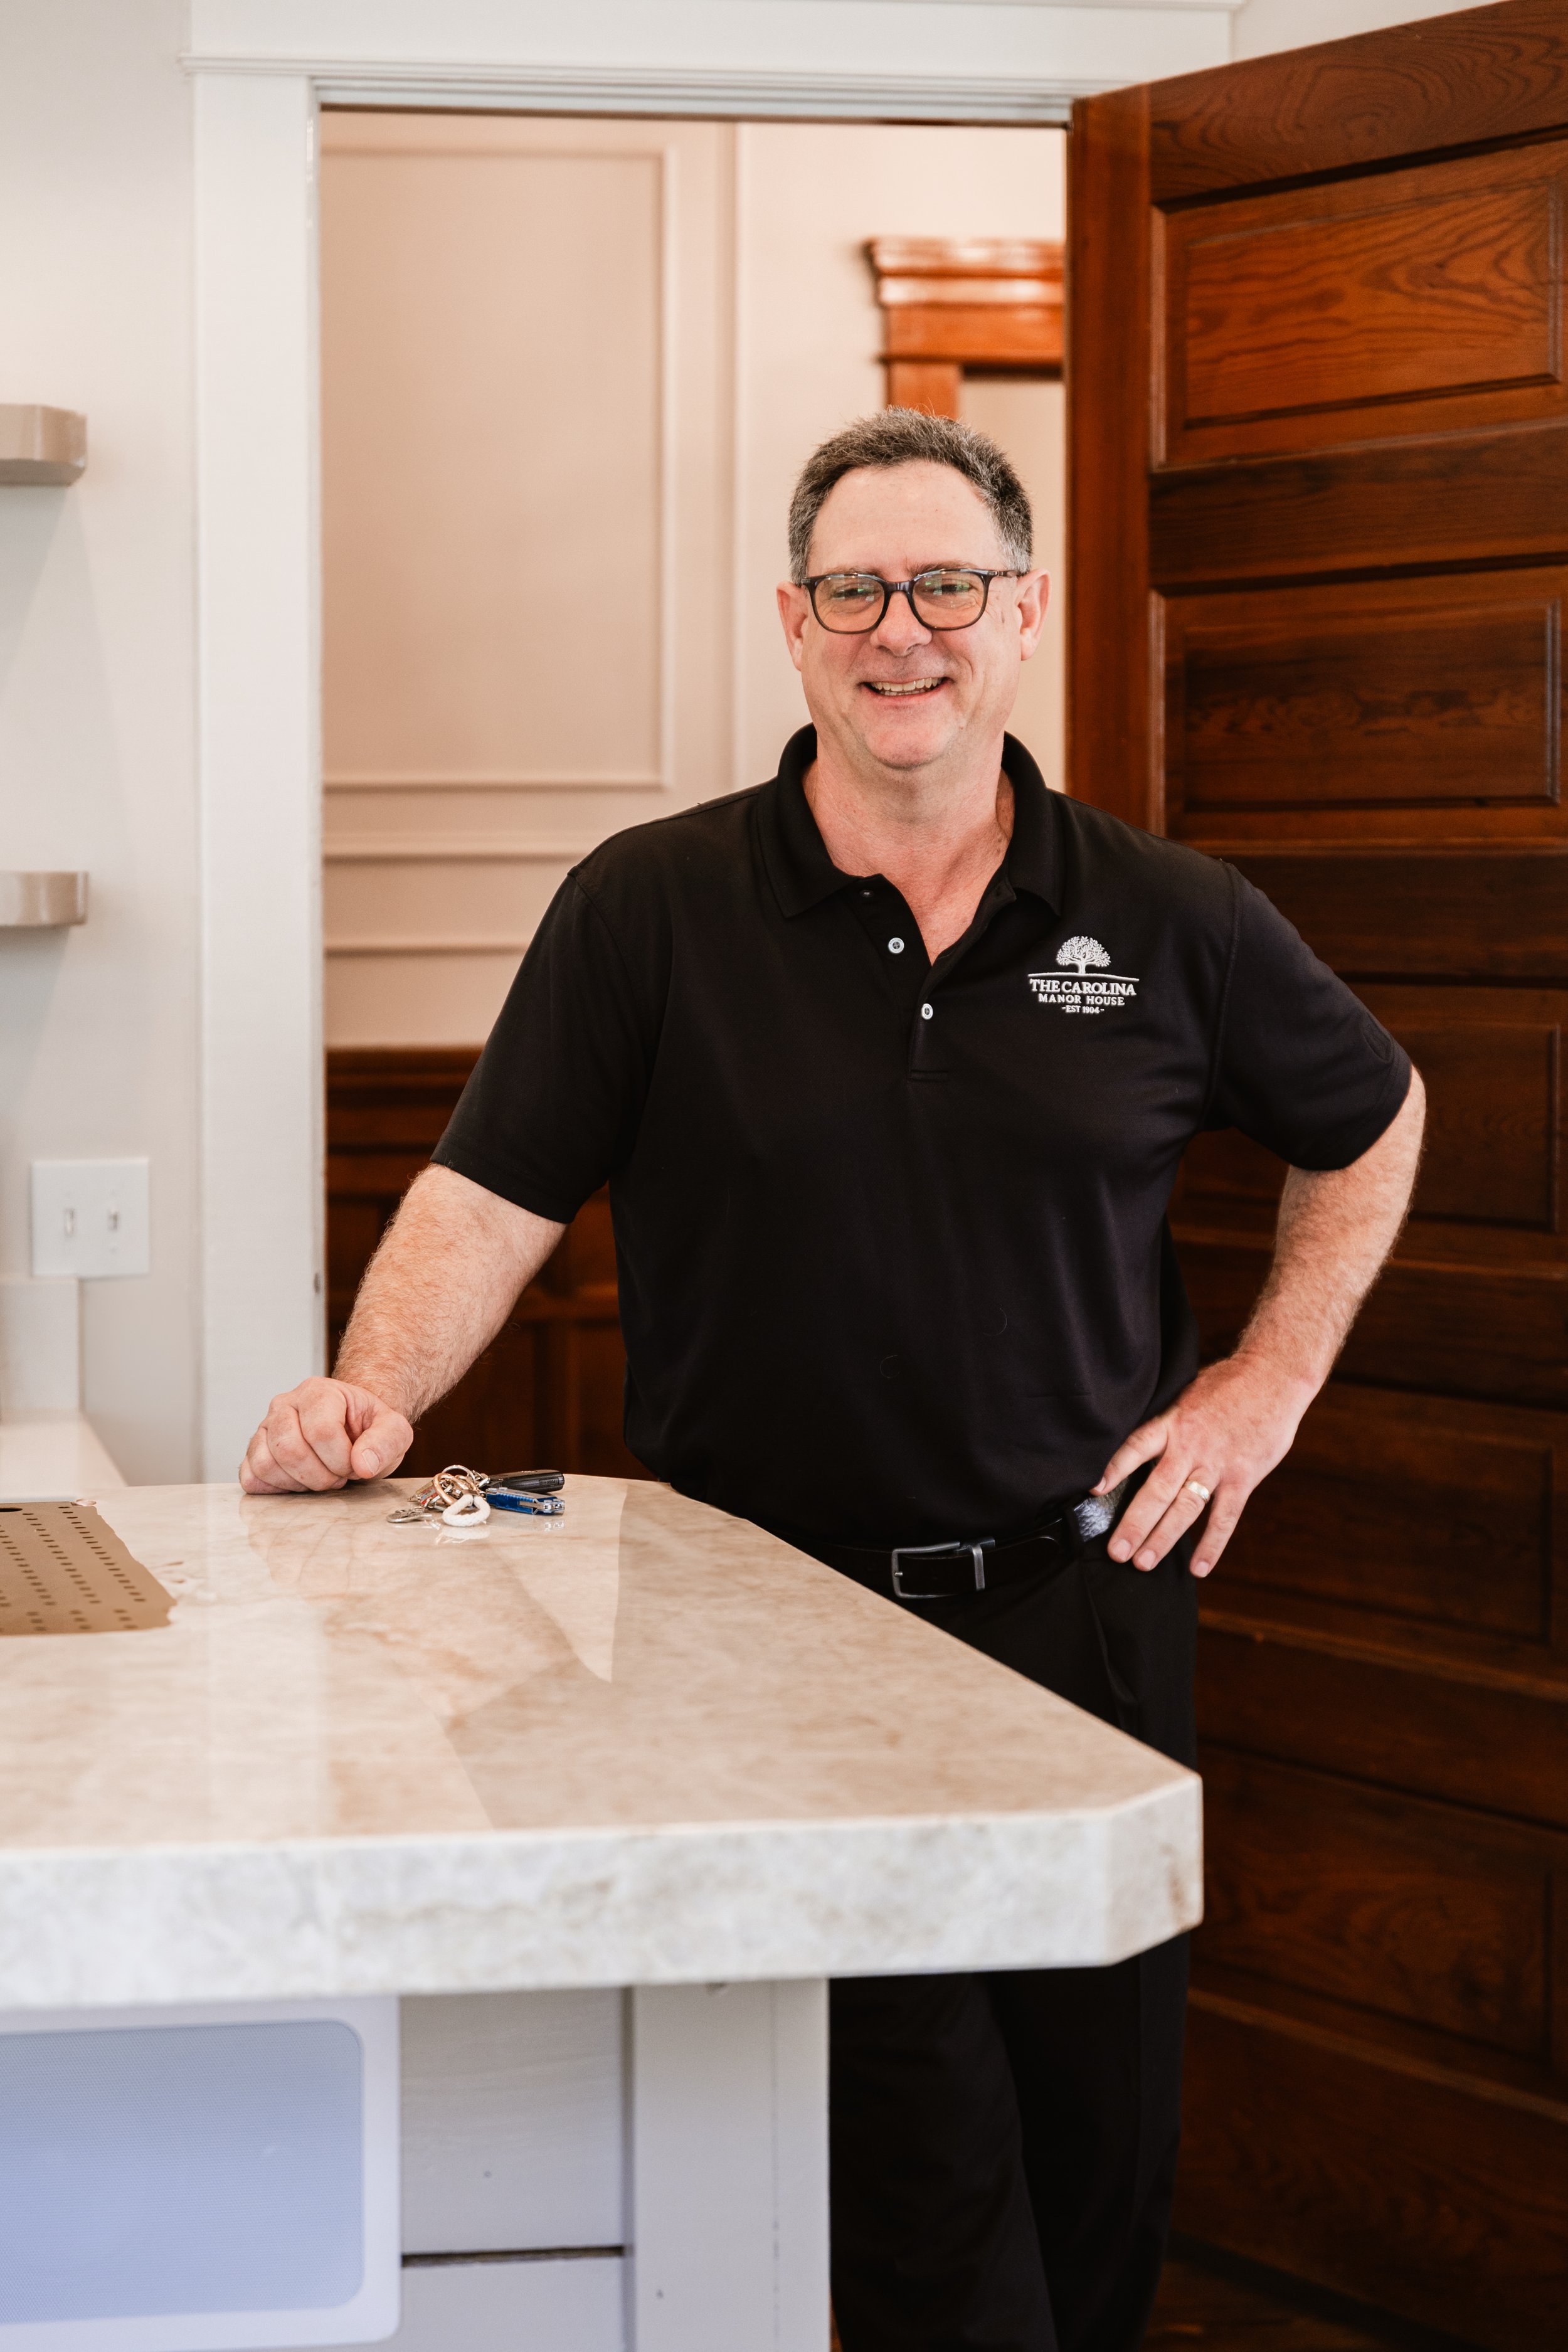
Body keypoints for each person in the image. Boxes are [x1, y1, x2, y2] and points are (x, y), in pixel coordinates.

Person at [243, 408, 1424, 2352]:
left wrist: (1263, 1382)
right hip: (757, 1632)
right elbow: (487, 1190)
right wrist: (374, 1392)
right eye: (855, 591)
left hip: (1082, 1614)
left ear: (1021, 613)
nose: (902, 632)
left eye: (946, 585)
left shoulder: (1169, 917)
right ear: (791, 625)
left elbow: (1369, 1120)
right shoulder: (649, 904)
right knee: (910, 2178)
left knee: (1094, 2149)